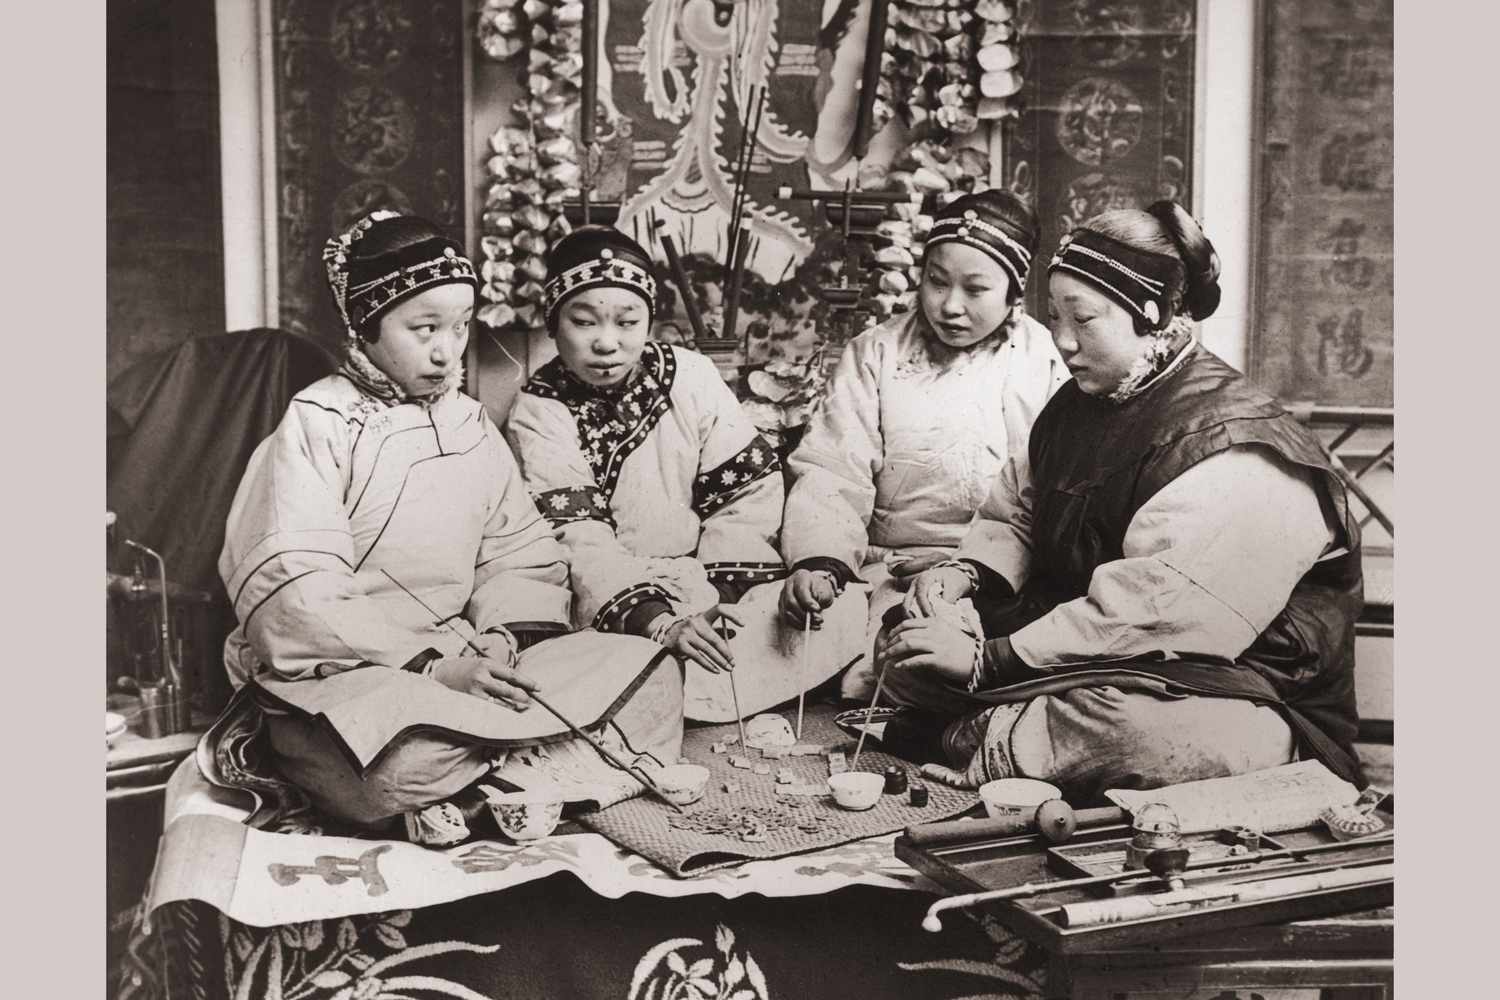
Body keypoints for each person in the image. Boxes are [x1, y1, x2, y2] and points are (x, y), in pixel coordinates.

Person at [204, 211, 683, 846]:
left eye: (459, 327)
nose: (446, 350)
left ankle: (486, 786)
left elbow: (517, 551)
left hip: (470, 658)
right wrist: (432, 669)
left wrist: (502, 639)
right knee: (397, 761)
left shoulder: (469, 423)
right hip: (359, 671)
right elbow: (296, 590)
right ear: (366, 327)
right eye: (422, 328)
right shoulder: (317, 424)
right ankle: (536, 771)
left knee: (650, 666)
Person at [879, 201, 1365, 801]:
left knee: (1137, 731)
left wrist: (989, 661)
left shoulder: (1240, 444)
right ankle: (999, 737)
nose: (1062, 342)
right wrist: (966, 576)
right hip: (1084, 655)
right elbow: (1017, 515)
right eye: (1054, 316)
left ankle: (984, 734)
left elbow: (1152, 613)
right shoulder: (1075, 406)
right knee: (906, 639)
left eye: (1083, 321)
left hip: (1223, 685)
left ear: (1152, 315)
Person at [503, 226, 858, 722]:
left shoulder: (688, 374)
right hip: (608, 596)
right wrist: (658, 619)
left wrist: (720, 594)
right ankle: (666, 678)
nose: (607, 342)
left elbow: (747, 494)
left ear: (649, 319)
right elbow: (576, 537)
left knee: (836, 615)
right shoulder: (539, 409)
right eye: (584, 322)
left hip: (708, 578)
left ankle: (693, 680)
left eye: (628, 321)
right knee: (604, 666)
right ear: (553, 322)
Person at [778, 188, 1068, 699]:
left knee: (947, 668)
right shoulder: (876, 352)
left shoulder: (1043, 363)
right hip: (881, 567)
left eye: (975, 290)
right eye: (936, 282)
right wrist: (820, 561)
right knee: (795, 650)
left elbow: (1044, 499)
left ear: (1013, 292)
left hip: (996, 576)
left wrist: (966, 568)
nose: (950, 306)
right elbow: (832, 470)